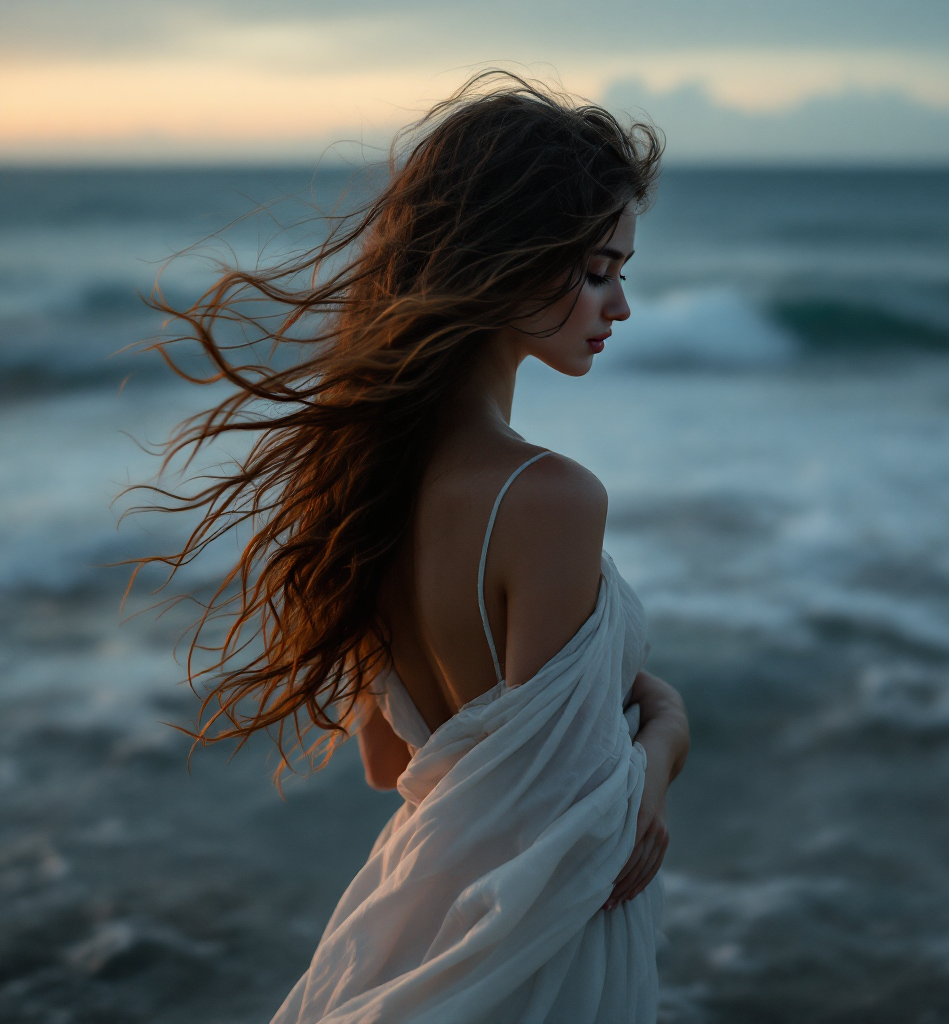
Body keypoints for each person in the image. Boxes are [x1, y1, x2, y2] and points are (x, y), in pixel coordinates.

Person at [139, 72, 690, 1023]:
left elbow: (388, 765)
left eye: (623, 275)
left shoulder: (365, 483)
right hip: (536, 961)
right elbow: (573, 821)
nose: (621, 308)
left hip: (419, 926)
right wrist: (670, 731)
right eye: (597, 271)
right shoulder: (550, 497)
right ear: (509, 259)